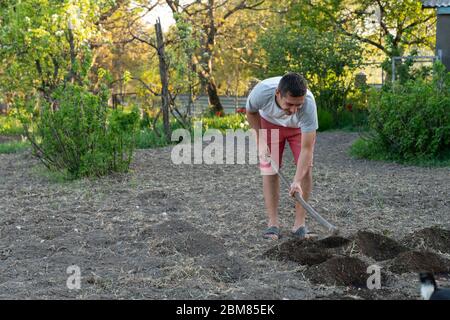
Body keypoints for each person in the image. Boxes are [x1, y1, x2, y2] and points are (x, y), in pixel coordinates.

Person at [245, 72, 318, 240]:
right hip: (270, 124)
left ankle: (299, 225)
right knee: (270, 169)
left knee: (306, 170)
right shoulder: (262, 92)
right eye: (290, 104)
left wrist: (297, 181)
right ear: (278, 93)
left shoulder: (308, 104)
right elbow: (251, 111)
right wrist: (260, 140)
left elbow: (307, 149)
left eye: (298, 105)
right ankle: (273, 224)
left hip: (298, 129)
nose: (293, 110)